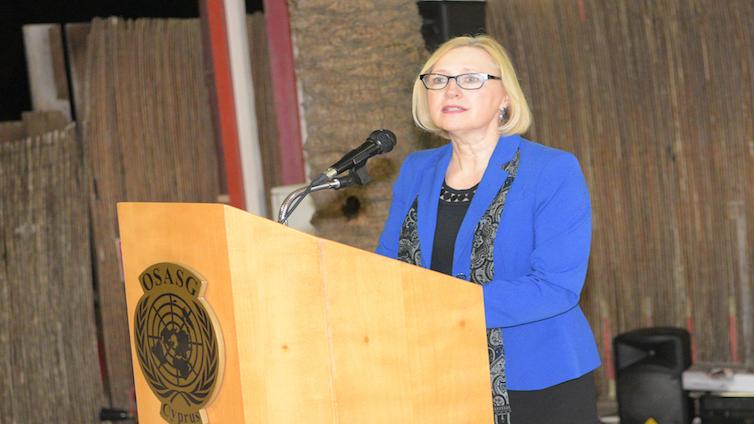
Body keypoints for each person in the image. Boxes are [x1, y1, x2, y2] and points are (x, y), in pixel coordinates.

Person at [376, 35, 601, 423]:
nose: (451, 90)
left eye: (470, 78)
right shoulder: (416, 170)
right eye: (439, 79)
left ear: (505, 98)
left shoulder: (552, 170)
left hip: (538, 380)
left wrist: (444, 306)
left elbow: (555, 287)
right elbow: (387, 268)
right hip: (436, 371)